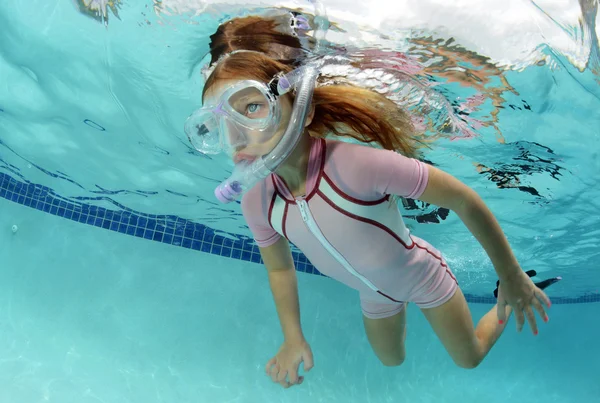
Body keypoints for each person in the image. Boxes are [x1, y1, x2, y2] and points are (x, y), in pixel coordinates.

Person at [186, 13, 560, 389]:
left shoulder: (357, 167)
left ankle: (506, 299)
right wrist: (293, 336)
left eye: (251, 108)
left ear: (303, 108)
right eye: (216, 123)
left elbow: (464, 200)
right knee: (391, 359)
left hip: (421, 276)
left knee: (469, 358)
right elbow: (280, 270)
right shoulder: (257, 203)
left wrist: (509, 275)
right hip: (374, 294)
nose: (234, 138)